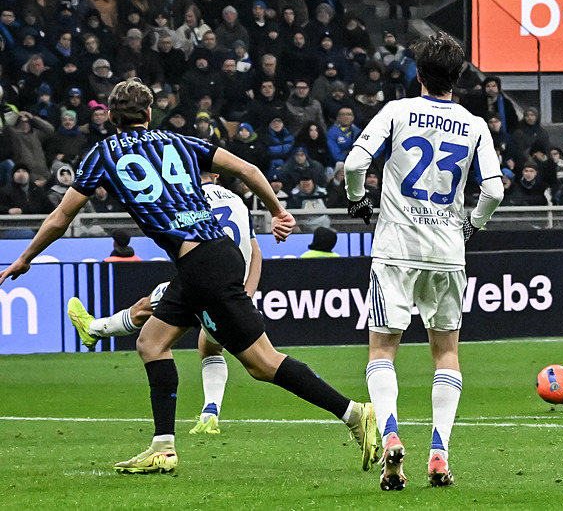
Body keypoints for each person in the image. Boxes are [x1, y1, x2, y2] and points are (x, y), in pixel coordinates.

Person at [0, 78, 378, 475]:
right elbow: (247, 168)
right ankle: (163, 447)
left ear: (110, 117)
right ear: (149, 114)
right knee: (151, 342)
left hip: (203, 265)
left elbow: (62, 216)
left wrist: (25, 258)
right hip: (210, 257)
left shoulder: (102, 154)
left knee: (263, 364)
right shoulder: (178, 142)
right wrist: (278, 211)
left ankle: (354, 413)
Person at [344, 32, 504, 490]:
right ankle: (439, 453)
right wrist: (471, 226)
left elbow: (355, 164)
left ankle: (390, 435)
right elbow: (494, 190)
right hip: (447, 250)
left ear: (418, 73)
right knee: (446, 353)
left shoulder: (396, 112)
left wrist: (357, 201)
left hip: (396, 247)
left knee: (382, 350)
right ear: (459, 77)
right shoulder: (474, 124)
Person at [70, 171, 259, 435]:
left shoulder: (188, 198)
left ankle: (93, 330)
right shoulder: (238, 201)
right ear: (216, 174)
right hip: (234, 288)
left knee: (144, 312)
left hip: (200, 281)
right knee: (211, 347)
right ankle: (210, 413)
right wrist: (247, 294)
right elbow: (256, 252)